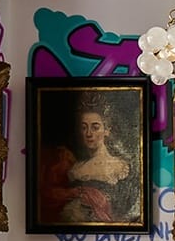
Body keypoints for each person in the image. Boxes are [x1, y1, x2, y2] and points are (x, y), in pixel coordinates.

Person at [38, 96, 140, 225]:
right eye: (84, 127)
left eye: (95, 127)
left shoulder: (120, 168)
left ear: (107, 130)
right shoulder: (75, 168)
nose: (89, 134)